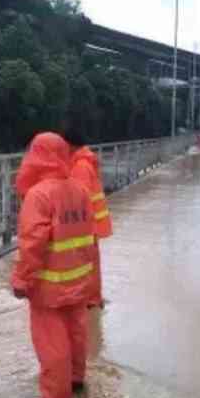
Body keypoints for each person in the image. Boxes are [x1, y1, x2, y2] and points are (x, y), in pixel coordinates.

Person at [11, 132, 97, 398]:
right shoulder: (80, 191)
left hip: (49, 285)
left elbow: (32, 244)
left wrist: (22, 280)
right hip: (78, 278)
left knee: (51, 342)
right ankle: (76, 379)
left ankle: (56, 397)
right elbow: (89, 237)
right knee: (77, 332)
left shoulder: (38, 195)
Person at [63, 127, 113, 309]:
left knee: (86, 265)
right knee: (91, 263)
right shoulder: (83, 162)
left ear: (70, 145)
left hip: (86, 225)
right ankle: (93, 298)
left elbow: (78, 200)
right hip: (91, 224)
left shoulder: (81, 166)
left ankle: (91, 300)